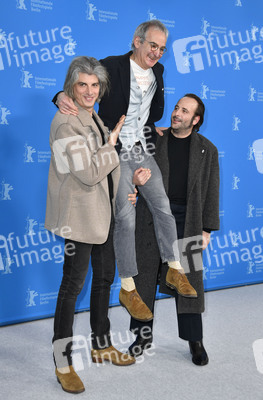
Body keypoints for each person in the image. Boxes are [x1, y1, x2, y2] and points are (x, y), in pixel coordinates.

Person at [54, 20, 197, 324]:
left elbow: (154, 111)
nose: (157, 53)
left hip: (141, 146)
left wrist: (149, 126)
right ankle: (129, 288)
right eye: (152, 45)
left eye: (162, 48)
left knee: (162, 206)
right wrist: (59, 96)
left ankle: (174, 267)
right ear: (137, 41)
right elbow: (83, 86)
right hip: (113, 149)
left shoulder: (158, 71)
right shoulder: (112, 66)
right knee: (126, 216)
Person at [45, 56, 151, 394]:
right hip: (79, 219)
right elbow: (90, 172)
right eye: (82, 85)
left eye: (94, 85)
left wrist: (124, 194)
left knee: (104, 279)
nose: (89, 91)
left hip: (103, 214)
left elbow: (107, 169)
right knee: (71, 288)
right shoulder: (65, 122)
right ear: (70, 88)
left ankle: (101, 344)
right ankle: (63, 363)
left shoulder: (92, 116)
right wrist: (111, 144)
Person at [129, 94, 220, 366]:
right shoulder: (152, 140)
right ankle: (142, 337)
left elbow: (211, 191)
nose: (177, 113)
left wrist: (207, 229)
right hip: (152, 218)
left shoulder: (207, 150)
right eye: (177, 108)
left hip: (188, 221)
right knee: (144, 279)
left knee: (189, 283)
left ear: (196, 120)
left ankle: (195, 342)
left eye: (185, 111)